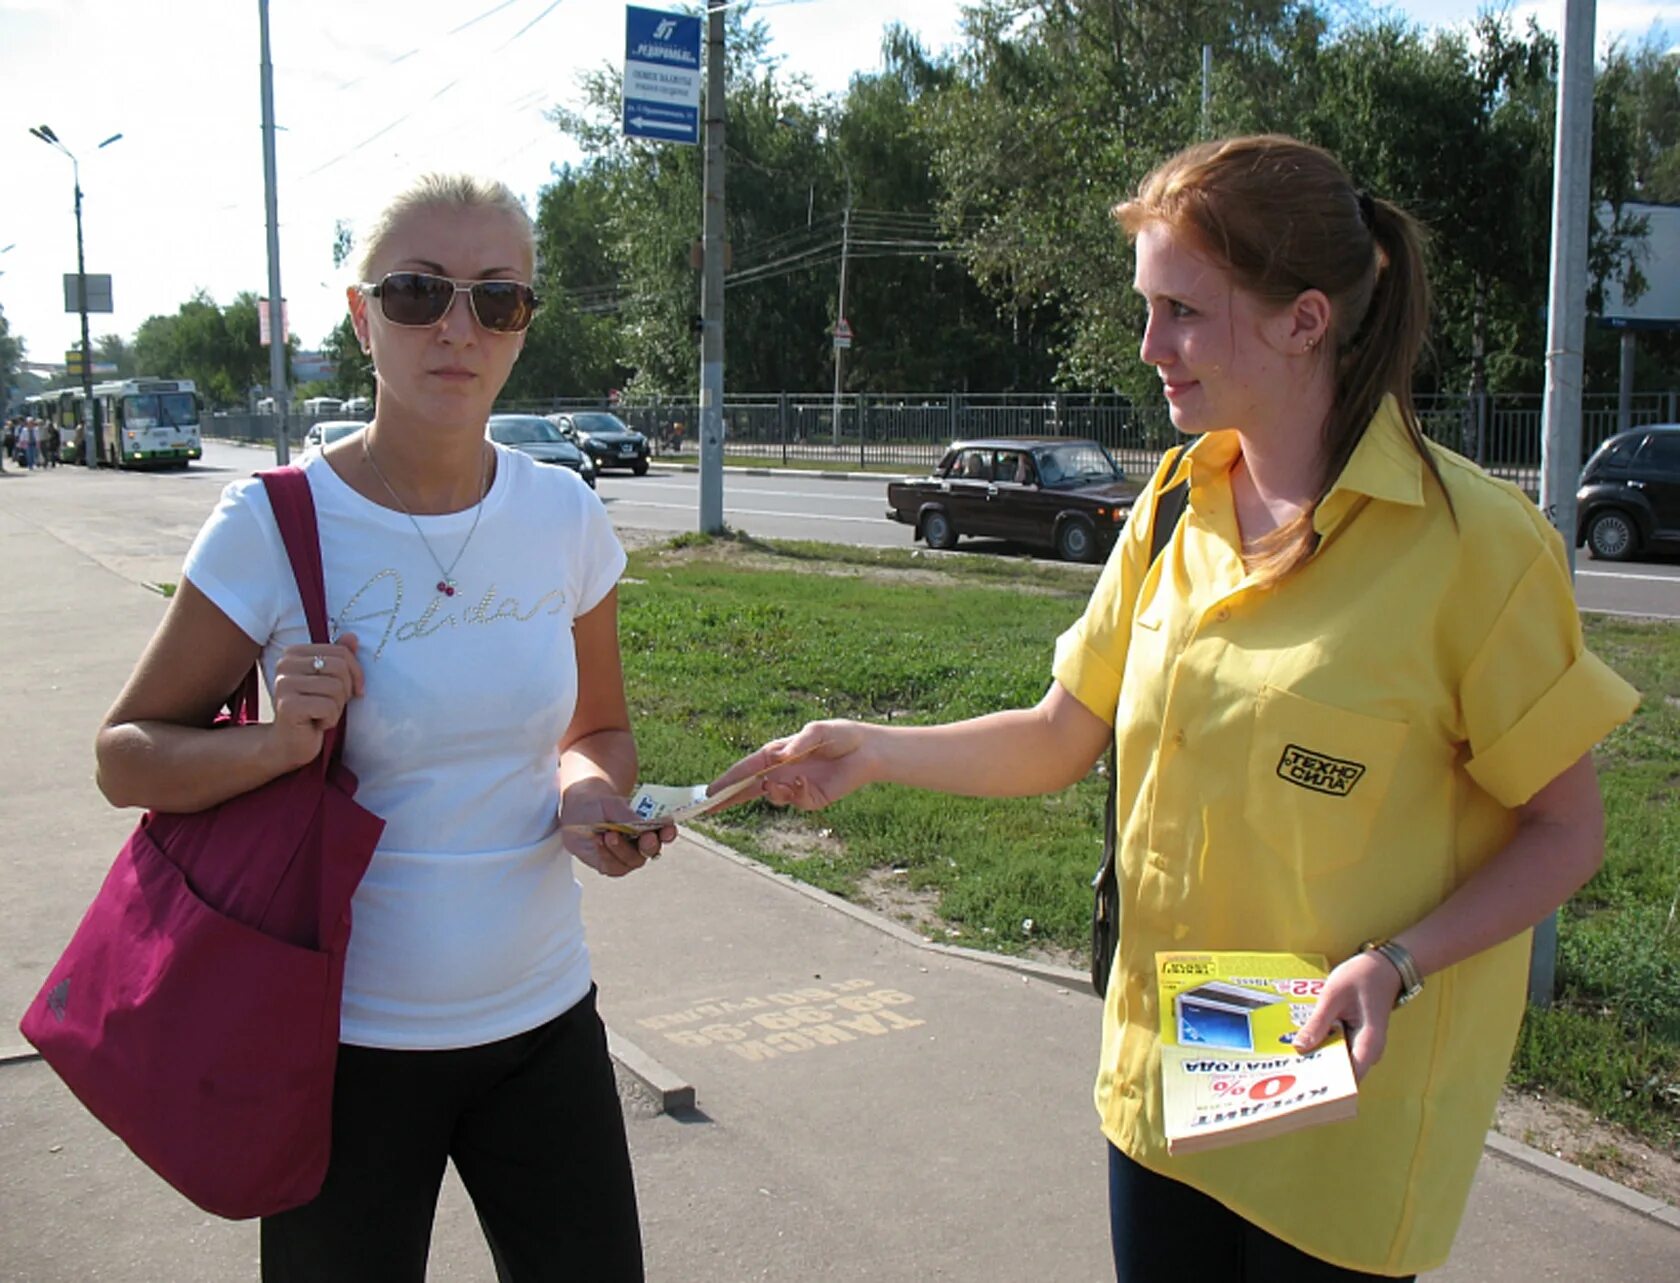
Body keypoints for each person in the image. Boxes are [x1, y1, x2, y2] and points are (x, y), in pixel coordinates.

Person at [715, 135, 1638, 1281]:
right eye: (1147, 306)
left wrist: (1401, 959)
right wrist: (871, 749)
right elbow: (1063, 729)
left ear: (1308, 319)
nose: (1150, 347)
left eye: (1184, 311)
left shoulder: (1479, 551)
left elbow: (1567, 828)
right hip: (1175, 1064)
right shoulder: (1171, 501)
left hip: (1342, 1106)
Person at [93, 173, 669, 1282]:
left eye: (497, 300)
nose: (457, 327)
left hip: (545, 1022)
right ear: (361, 318)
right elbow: (124, 757)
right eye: (417, 293)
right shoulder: (275, 522)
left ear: (525, 323)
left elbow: (597, 726)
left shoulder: (563, 513)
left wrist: (589, 796)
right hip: (339, 1044)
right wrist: (274, 741)